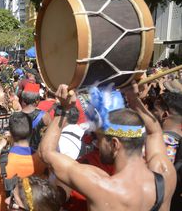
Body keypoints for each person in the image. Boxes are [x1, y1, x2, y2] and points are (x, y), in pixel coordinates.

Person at [40, 84, 177, 210]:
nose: (97, 145)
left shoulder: (101, 186)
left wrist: (63, 110)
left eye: (100, 140)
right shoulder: (166, 175)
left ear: (114, 144)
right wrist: (133, 99)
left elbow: (46, 153)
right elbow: (155, 132)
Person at [0, 112, 48, 211]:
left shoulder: (3, 162)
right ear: (31, 132)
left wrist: (0, 147)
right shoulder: (41, 160)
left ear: (11, 133)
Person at [20, 83, 51, 150]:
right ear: (37, 100)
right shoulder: (45, 116)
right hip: (37, 154)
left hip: (21, 153)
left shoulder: (15, 116)